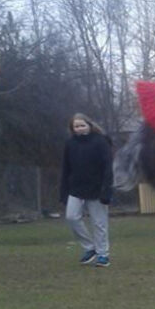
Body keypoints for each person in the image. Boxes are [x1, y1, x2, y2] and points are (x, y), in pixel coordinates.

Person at [60, 113, 113, 267]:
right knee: (71, 217)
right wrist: (64, 191)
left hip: (97, 189)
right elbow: (66, 168)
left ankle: (103, 255)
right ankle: (90, 248)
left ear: (89, 125)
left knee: (99, 223)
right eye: (76, 126)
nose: (79, 128)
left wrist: (106, 190)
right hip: (76, 189)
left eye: (82, 125)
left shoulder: (101, 142)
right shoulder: (70, 144)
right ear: (72, 129)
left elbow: (108, 168)